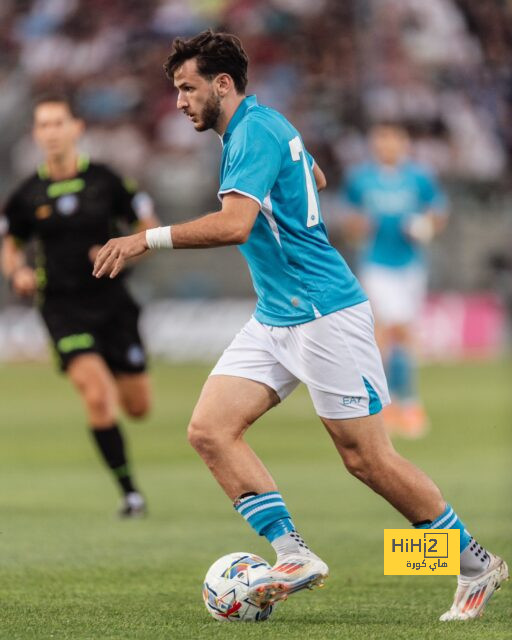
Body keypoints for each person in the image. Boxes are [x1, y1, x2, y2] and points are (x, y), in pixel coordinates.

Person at [93, 30, 507, 620]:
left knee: (366, 460)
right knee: (210, 430)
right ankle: (293, 553)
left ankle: (472, 562)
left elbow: (235, 225)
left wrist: (145, 239)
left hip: (323, 313)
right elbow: (315, 178)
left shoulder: (254, 132)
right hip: (276, 316)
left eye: (187, 89)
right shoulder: (264, 127)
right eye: (176, 91)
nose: (180, 101)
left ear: (223, 83)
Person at [1, 94, 159, 517]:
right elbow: (10, 242)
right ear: (36, 134)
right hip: (62, 307)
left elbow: (149, 228)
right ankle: (130, 493)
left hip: (114, 305)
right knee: (96, 395)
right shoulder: (27, 194)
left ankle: (114, 363)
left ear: (76, 129)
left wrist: (125, 252)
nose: (51, 132)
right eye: (43, 125)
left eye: (58, 123)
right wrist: (15, 271)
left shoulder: (107, 180)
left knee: (139, 407)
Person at [340, 123, 448, 438]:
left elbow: (438, 213)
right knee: (387, 330)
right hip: (376, 264)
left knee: (403, 333)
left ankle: (401, 403)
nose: (387, 145)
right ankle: (395, 404)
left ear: (403, 143)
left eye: (393, 139)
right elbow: (350, 221)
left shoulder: (419, 176)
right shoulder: (360, 178)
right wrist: (359, 226)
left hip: (410, 265)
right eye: (381, 140)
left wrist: (423, 226)